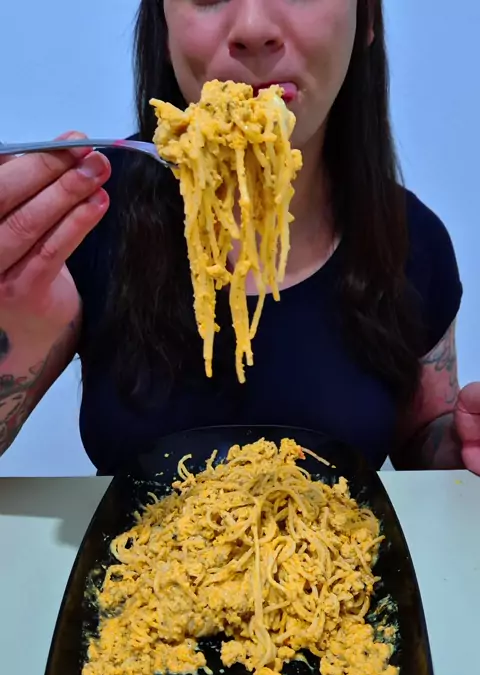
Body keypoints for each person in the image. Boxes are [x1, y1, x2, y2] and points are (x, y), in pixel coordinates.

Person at [0, 0, 479, 475]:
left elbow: (424, 438)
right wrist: (18, 327)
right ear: (163, 30)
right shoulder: (86, 218)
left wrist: (460, 446)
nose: (252, 27)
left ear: (366, 18)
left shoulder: (412, 239)